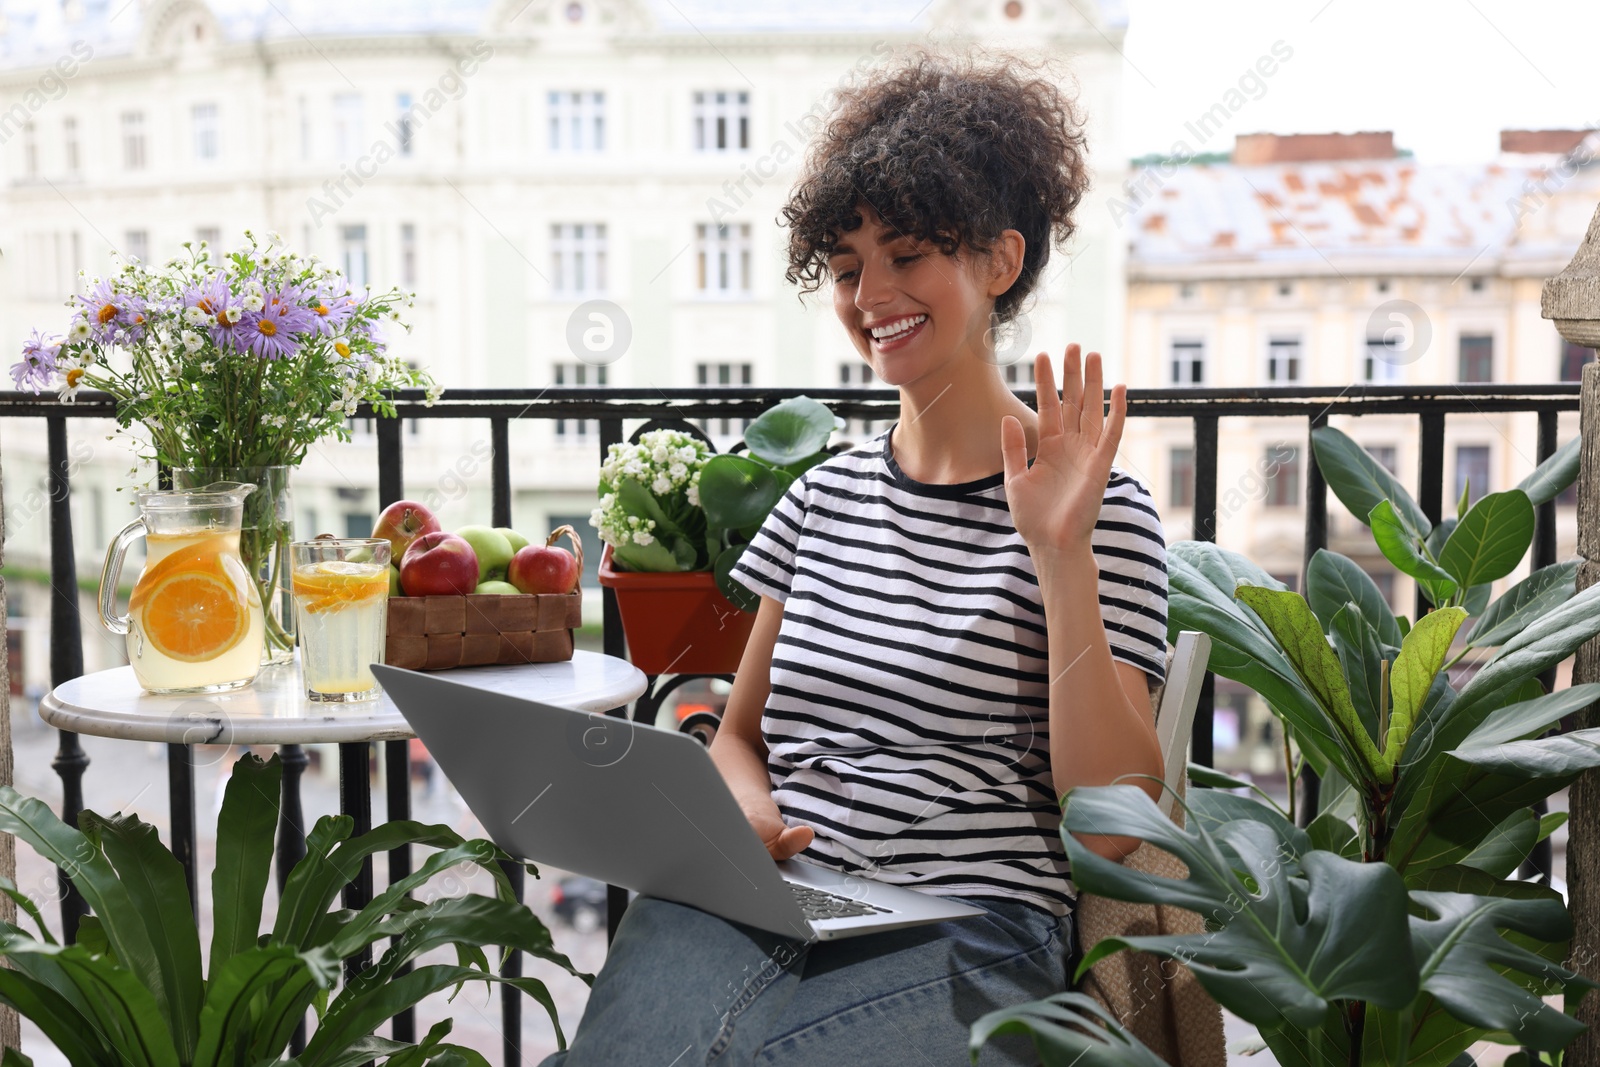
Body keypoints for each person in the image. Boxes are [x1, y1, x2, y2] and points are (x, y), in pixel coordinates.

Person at [538, 50, 1169, 1067]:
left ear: (999, 262)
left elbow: (1112, 828)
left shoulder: (1099, 508)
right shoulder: (820, 496)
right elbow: (739, 735)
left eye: (908, 254)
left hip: (969, 925)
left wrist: (1058, 554)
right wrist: (743, 807)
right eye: (843, 267)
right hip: (765, 895)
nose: (870, 293)